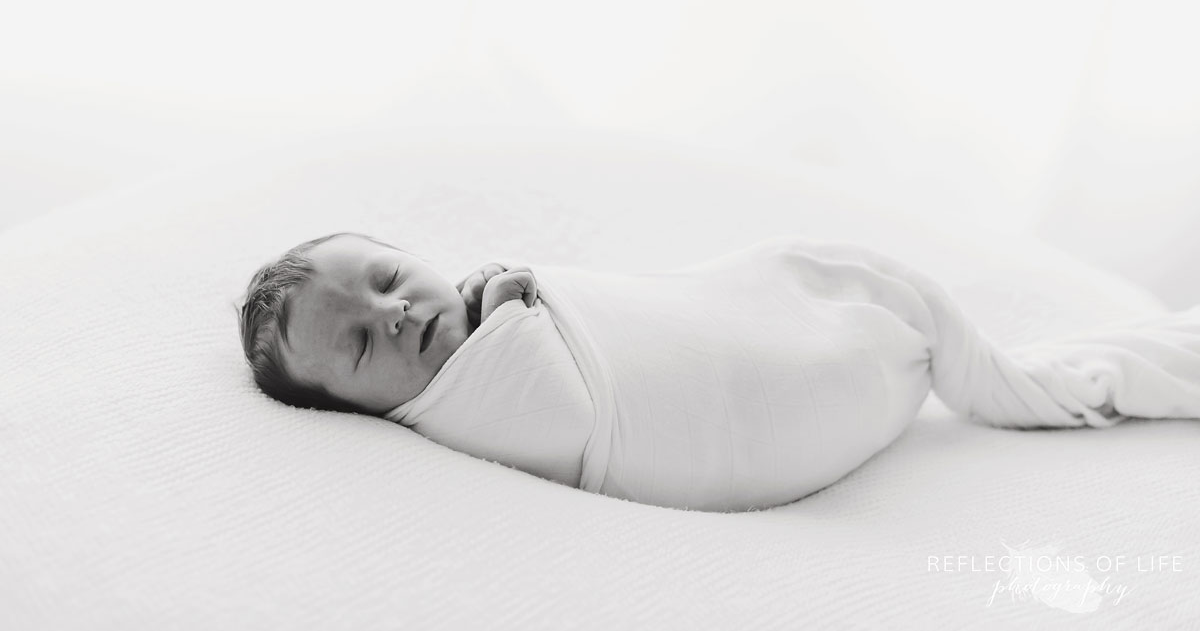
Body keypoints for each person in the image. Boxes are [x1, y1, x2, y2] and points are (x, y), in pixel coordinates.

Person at [239, 231, 1200, 512]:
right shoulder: (462, 408)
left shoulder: (474, 321)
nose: (398, 312)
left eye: (385, 278)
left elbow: (640, 308)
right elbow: (565, 414)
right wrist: (509, 313)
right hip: (788, 404)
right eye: (361, 343)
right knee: (823, 327)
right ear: (359, 411)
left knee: (759, 281)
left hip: (735, 337)